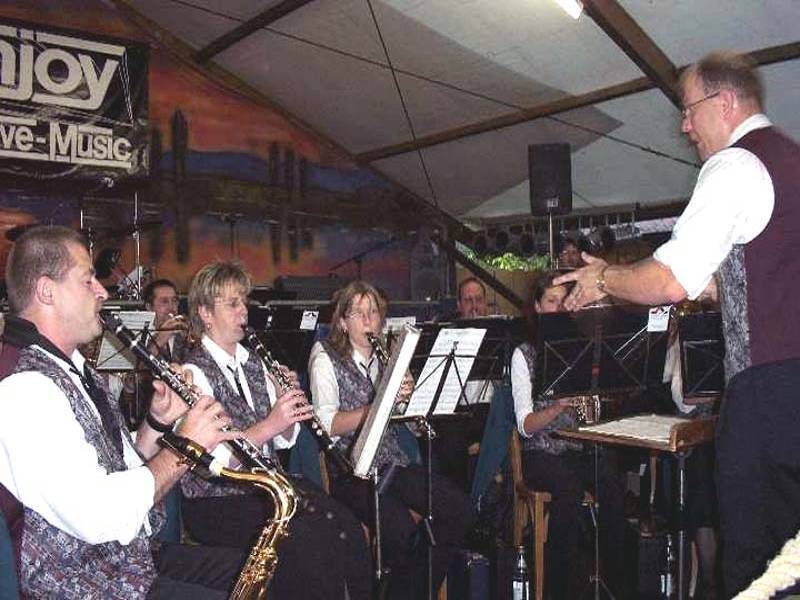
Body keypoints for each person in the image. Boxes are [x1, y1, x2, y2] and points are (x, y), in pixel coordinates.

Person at [554, 50, 800, 597]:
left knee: (757, 568)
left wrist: (604, 279)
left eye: (688, 110)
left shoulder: (735, 166)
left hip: (768, 396)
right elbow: (750, 279)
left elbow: (669, 281)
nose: (684, 126)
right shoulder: (791, 160)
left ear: (725, 101)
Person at [0, 226, 245, 599]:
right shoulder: (24, 388)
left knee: (257, 570)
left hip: (123, 561)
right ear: (47, 291)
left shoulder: (71, 367)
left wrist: (157, 423)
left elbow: (115, 467)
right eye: (88, 280)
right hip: (83, 582)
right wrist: (186, 448)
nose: (102, 292)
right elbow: (98, 515)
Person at [180, 260, 371, 600]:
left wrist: (285, 407)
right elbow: (217, 462)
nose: (244, 311)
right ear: (205, 313)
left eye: (244, 302)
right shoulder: (193, 373)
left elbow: (282, 442)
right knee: (309, 543)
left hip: (266, 486)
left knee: (347, 528)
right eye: (233, 304)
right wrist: (271, 423)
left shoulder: (254, 362)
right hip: (218, 498)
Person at [308, 280, 476, 599]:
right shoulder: (324, 356)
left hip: (391, 465)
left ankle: (412, 591)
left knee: (460, 509)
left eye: (373, 312)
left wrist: (410, 402)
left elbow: (412, 429)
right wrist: (379, 404)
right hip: (350, 470)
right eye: (358, 313)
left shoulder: (389, 360)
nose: (368, 320)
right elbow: (326, 425)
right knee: (399, 529)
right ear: (342, 322)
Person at [511, 272, 626, 599]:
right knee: (569, 490)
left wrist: (594, 404)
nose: (559, 308)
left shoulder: (581, 348)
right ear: (537, 306)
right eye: (552, 301)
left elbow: (594, 412)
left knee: (612, 485)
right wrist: (558, 406)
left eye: (564, 301)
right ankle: (558, 590)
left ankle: (615, 583)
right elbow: (525, 425)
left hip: (577, 447)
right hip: (540, 451)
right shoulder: (524, 354)